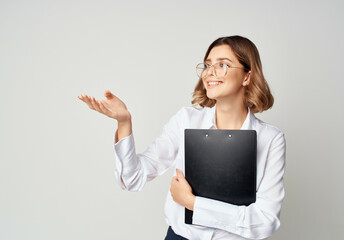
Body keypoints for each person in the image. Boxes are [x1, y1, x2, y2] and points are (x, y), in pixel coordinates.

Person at [78, 35, 286, 240]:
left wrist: (193, 203)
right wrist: (124, 123)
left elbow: (265, 221)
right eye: (207, 64)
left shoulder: (270, 139)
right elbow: (132, 179)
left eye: (223, 64)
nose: (210, 72)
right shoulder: (186, 120)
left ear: (247, 76)